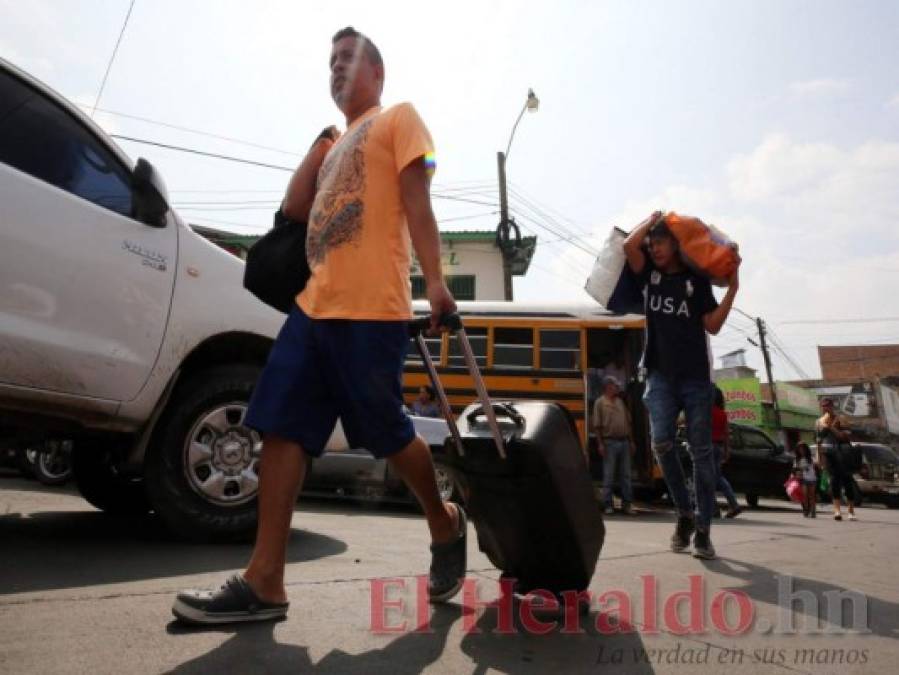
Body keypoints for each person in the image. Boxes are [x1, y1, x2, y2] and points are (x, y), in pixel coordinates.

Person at [172, 27, 464, 625]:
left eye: (348, 60)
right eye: (329, 62)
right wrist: (317, 148)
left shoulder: (399, 119)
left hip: (371, 307)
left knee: (386, 432)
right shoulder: (334, 146)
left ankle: (443, 518)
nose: (335, 69)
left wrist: (435, 280)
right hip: (312, 307)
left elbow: (418, 199)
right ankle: (265, 582)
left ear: (378, 74)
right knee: (279, 427)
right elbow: (292, 213)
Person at [623, 212, 739, 559]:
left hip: (695, 380)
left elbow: (713, 326)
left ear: (677, 244)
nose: (654, 248)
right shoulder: (650, 276)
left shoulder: (696, 281)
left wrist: (732, 290)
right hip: (659, 375)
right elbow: (630, 243)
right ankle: (684, 513)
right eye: (653, 243)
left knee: (702, 454)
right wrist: (654, 219)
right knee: (661, 442)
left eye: (660, 241)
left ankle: (703, 529)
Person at [593, 375, 636, 515]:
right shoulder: (600, 403)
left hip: (624, 442)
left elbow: (628, 423)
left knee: (626, 475)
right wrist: (600, 444)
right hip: (609, 442)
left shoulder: (620, 402)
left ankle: (627, 504)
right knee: (609, 475)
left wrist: (631, 441)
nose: (617, 388)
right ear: (608, 387)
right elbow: (597, 426)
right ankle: (607, 504)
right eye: (614, 385)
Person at [815, 397, 858, 521]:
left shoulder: (841, 419)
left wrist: (831, 427)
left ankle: (851, 510)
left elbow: (844, 436)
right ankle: (837, 510)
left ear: (832, 407)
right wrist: (819, 458)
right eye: (823, 406)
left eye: (827, 405)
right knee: (834, 482)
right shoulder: (819, 422)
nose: (825, 408)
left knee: (847, 481)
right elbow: (818, 441)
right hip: (829, 454)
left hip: (843, 454)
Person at [711, 386, 742, 519]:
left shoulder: (707, 411)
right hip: (718, 447)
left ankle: (715, 508)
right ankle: (731, 504)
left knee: (707, 478)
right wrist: (727, 450)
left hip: (708, 446)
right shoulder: (723, 413)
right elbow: (726, 434)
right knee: (717, 477)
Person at [793, 442, 817, 518]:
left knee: (812, 496)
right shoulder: (797, 459)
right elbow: (795, 470)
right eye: (800, 449)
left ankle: (813, 511)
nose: (801, 450)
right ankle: (806, 509)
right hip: (803, 479)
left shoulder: (811, 458)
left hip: (812, 478)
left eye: (803, 449)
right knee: (805, 495)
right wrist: (797, 472)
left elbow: (816, 465)